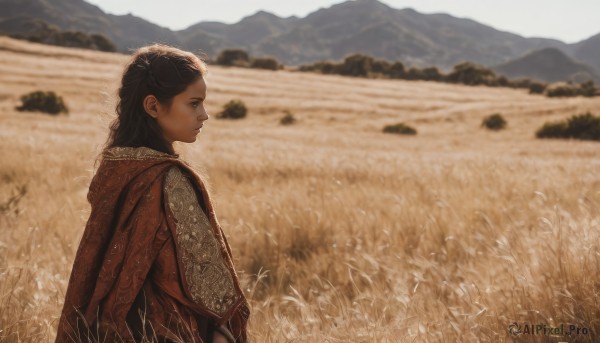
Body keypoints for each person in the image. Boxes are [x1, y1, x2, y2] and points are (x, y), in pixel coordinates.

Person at [54, 44, 250, 343]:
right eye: (194, 103)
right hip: (166, 330)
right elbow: (211, 288)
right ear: (153, 106)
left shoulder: (114, 167)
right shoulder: (167, 177)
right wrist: (223, 330)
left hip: (107, 329)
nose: (204, 115)